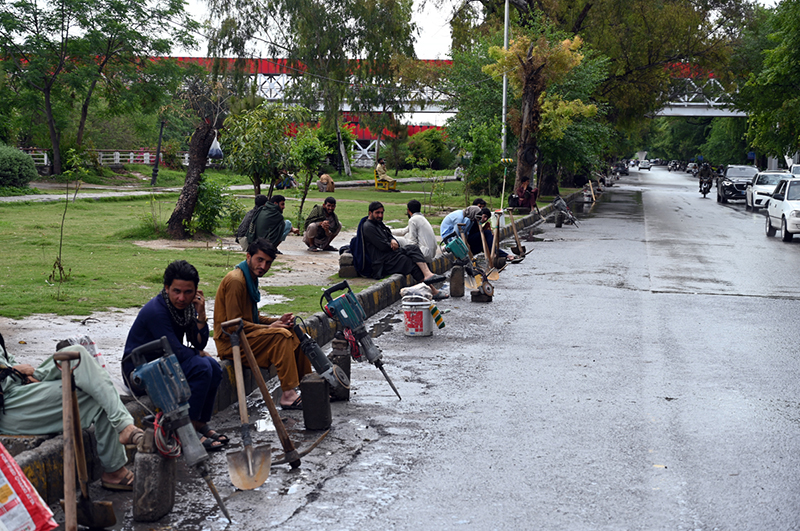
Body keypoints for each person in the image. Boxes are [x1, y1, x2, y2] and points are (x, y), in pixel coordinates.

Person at [0, 333, 143, 490]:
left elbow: (6, 359)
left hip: (18, 384)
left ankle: (123, 427)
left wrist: (22, 374)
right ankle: (117, 461)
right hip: (9, 406)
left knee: (76, 354)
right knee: (96, 396)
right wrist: (12, 371)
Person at [122, 260, 226, 451]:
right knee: (202, 367)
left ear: (196, 291)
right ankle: (187, 431)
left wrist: (201, 315)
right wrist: (198, 353)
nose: (181, 298)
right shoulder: (157, 311)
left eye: (188, 292)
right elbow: (178, 353)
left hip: (164, 363)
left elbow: (199, 343)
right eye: (176, 291)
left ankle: (199, 423)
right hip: (140, 371)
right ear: (167, 288)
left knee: (214, 368)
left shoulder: (185, 309)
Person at [213, 238, 311, 410]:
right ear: (248, 256)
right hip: (231, 343)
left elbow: (252, 318)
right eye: (260, 260)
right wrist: (269, 328)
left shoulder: (249, 277)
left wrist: (278, 321)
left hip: (247, 336)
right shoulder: (237, 281)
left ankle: (309, 386)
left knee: (295, 330)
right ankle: (288, 395)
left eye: (268, 263)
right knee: (281, 336)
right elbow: (232, 326)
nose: (263, 266)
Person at [360, 201, 445, 291]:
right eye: (377, 213)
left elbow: (388, 234)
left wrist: (392, 240)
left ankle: (428, 275)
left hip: (390, 255)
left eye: (382, 213)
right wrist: (392, 244)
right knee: (408, 261)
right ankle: (433, 290)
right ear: (370, 213)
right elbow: (383, 247)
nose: (380, 215)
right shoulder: (368, 227)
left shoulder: (378, 223)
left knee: (413, 248)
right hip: (382, 261)